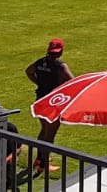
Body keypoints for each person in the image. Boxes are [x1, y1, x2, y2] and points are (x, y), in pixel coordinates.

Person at [26, 40, 74, 176]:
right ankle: (43, 164)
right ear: (61, 51)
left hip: (40, 101)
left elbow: (28, 71)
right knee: (50, 134)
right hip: (53, 103)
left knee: (44, 130)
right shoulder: (61, 66)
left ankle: (39, 158)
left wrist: (39, 82)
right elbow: (73, 81)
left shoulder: (40, 62)